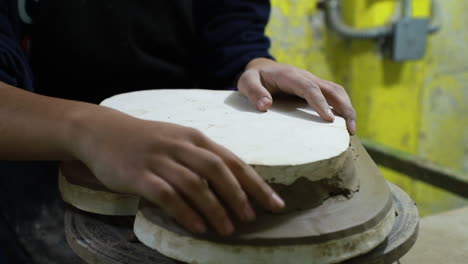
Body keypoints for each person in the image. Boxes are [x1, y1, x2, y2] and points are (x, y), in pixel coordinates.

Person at [0, 0, 356, 237]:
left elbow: (231, 30)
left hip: (187, 145)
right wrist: (87, 130)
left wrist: (254, 66)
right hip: (39, 152)